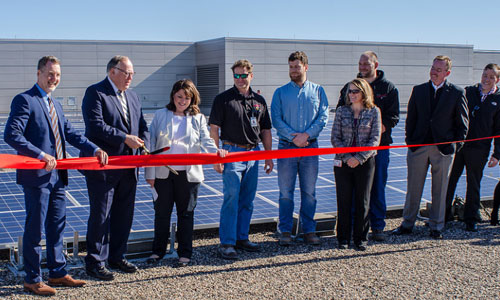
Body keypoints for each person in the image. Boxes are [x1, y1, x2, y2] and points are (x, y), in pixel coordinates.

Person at [4, 56, 108, 296]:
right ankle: (32, 278)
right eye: (50, 74)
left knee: (57, 227)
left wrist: (94, 149)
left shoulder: (55, 104)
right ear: (39, 73)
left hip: (58, 177)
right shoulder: (25, 100)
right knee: (35, 229)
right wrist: (40, 154)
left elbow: (71, 134)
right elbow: (12, 135)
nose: (54, 79)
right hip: (37, 176)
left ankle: (58, 272)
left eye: (58, 75)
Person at [145, 79, 226, 267]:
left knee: (186, 214)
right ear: (173, 96)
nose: (183, 101)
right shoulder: (160, 115)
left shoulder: (198, 118)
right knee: (161, 214)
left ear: (193, 99)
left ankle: (185, 254)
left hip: (188, 176)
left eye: (187, 98)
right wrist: (149, 173)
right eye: (179, 96)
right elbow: (150, 146)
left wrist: (216, 154)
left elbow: (206, 141)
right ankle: (157, 252)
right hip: (162, 174)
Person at [82, 55, 149, 280]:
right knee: (101, 216)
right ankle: (95, 262)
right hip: (104, 168)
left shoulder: (133, 95)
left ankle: (117, 256)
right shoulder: (96, 93)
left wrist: (144, 145)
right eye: (126, 72)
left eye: (132, 73)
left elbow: (142, 126)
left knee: (124, 215)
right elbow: (95, 126)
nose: (130, 77)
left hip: (130, 167)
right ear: (112, 71)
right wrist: (124, 138)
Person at [393, 55, 469, 239]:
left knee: (440, 189)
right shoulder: (418, 90)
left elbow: (463, 124)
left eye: (439, 70)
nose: (434, 72)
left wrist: (454, 146)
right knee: (413, 188)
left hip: (443, 150)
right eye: (433, 68)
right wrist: (411, 143)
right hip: (418, 147)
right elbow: (411, 119)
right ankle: (407, 223)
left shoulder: (457, 93)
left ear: (447, 73)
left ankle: (436, 226)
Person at [209, 59, 273, 260]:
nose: (240, 79)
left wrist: (268, 156)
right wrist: (216, 155)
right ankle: (227, 243)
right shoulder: (223, 99)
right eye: (236, 75)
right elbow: (214, 130)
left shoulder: (259, 101)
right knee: (231, 198)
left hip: (253, 153)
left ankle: (242, 238)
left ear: (251, 76)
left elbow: (265, 129)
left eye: (243, 75)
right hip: (231, 153)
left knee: (247, 200)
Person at [337, 51, 400, 241]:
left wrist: (378, 126)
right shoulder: (350, 86)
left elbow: (394, 116)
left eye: (366, 64)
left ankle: (378, 226)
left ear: (376, 64)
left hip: (377, 148)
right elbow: (342, 109)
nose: (362, 67)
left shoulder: (388, 88)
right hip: (352, 150)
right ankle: (356, 229)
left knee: (377, 187)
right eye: (360, 64)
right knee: (355, 191)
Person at [271, 51, 329, 246]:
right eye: (290, 67)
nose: (293, 70)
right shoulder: (280, 92)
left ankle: (309, 230)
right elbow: (276, 119)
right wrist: (293, 137)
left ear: (306, 67)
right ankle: (285, 230)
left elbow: (323, 116)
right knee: (286, 192)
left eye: (297, 66)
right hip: (286, 148)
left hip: (310, 148)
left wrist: (307, 135)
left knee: (309, 192)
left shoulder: (318, 91)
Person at [445, 63, 500, 231]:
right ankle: (444, 215)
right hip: (460, 145)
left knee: (473, 183)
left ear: (497, 79)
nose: (487, 79)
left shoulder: (498, 100)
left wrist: (497, 154)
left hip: (480, 149)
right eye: (485, 75)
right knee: (450, 180)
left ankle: (471, 218)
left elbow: (499, 129)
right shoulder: (469, 92)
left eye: (491, 77)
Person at [332, 78, 381, 250]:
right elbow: (335, 138)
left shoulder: (374, 111)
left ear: (364, 92)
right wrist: (347, 158)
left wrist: (359, 158)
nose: (351, 95)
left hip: (365, 163)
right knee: (343, 200)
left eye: (355, 91)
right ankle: (343, 238)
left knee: (363, 201)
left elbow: (375, 140)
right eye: (350, 91)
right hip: (343, 163)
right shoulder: (341, 111)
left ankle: (361, 238)